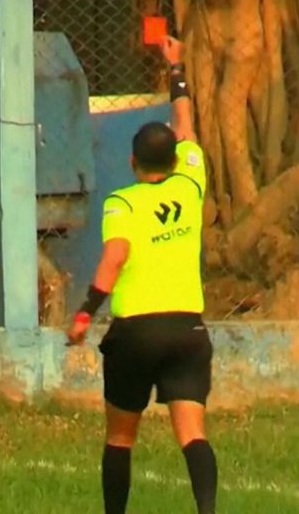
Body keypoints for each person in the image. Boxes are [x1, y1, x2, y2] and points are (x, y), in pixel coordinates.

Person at [66, 35, 216, 514]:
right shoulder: (191, 182)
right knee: (192, 434)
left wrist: (86, 313)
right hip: (188, 329)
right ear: (174, 160)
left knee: (120, 437)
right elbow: (186, 124)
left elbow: (114, 257)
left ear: (132, 163)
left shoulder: (123, 201)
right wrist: (176, 69)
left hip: (136, 333)